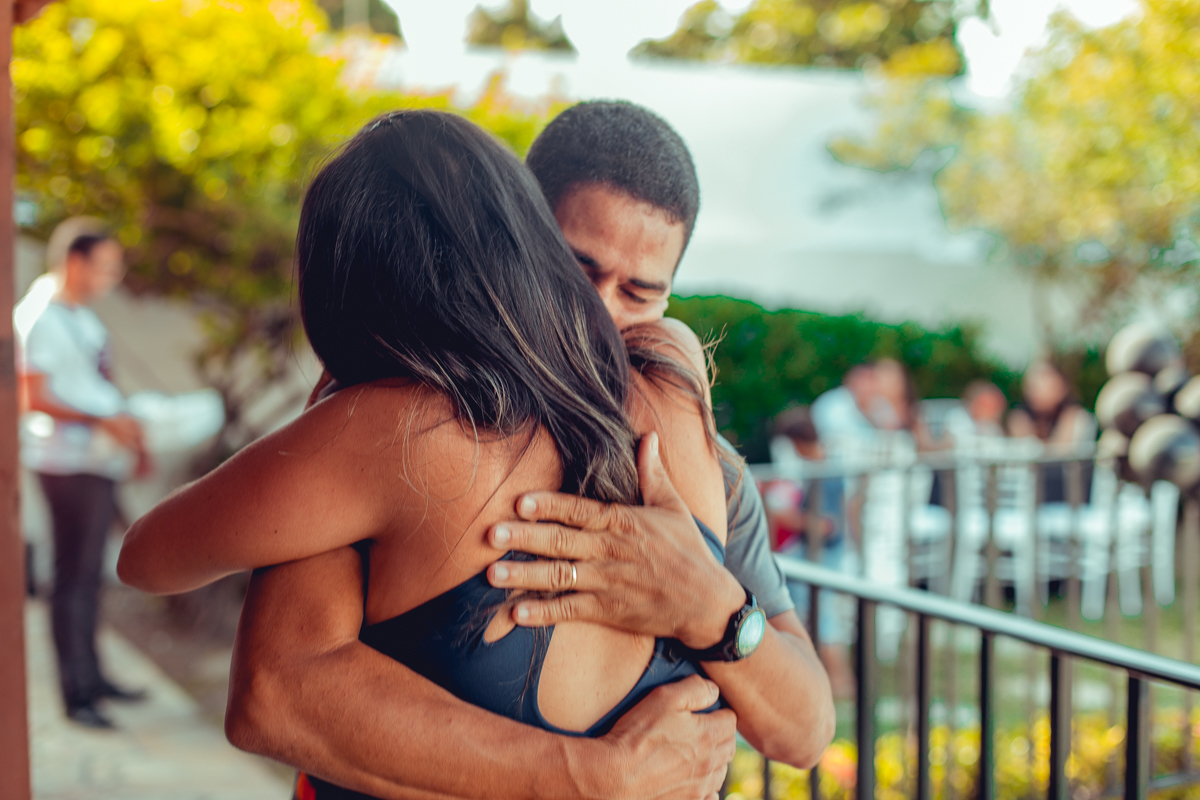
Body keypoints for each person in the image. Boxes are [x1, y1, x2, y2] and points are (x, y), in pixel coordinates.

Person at [118, 109, 833, 799]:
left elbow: (806, 732)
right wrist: (597, 777)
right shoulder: (672, 388)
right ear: (520, 233)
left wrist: (715, 610)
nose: (603, 314)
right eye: (578, 270)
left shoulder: (402, 433)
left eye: (640, 293)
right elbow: (278, 695)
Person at [19, 218, 149, 729]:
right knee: (73, 577)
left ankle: (93, 676)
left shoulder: (78, 316)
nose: (110, 279)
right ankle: (77, 695)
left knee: (92, 573)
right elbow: (33, 396)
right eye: (105, 267)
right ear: (76, 262)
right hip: (66, 462)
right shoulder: (42, 317)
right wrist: (103, 421)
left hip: (96, 458)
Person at [766, 407, 853, 697]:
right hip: (817, 551)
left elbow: (828, 525)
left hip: (825, 554)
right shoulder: (819, 465)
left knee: (821, 614)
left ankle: (839, 680)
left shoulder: (824, 472)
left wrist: (788, 517)